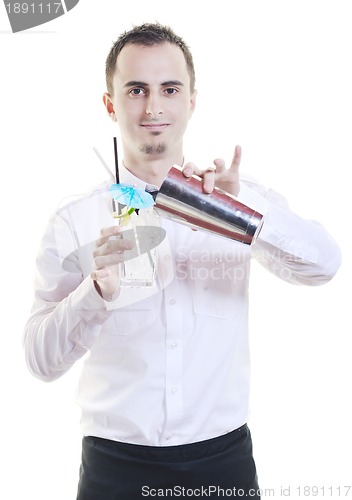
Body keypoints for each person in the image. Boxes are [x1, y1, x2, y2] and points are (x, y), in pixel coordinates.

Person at [23, 23, 341, 499]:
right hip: (115, 467)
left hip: (224, 461)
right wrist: (95, 294)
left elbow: (325, 265)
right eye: (136, 90)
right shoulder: (74, 220)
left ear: (191, 101)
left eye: (169, 89)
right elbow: (39, 361)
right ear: (110, 104)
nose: (154, 107)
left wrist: (245, 215)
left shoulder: (237, 197)